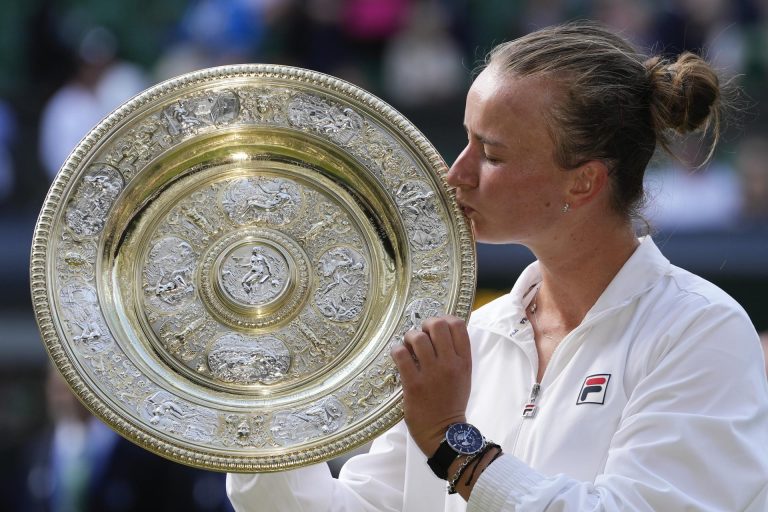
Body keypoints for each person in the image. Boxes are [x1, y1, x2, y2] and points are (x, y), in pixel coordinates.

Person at [226, 21, 768, 511]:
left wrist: (450, 441)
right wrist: (262, 399)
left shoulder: (700, 330)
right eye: (466, 140)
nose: (456, 172)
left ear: (583, 181)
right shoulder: (472, 335)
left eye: (492, 154)